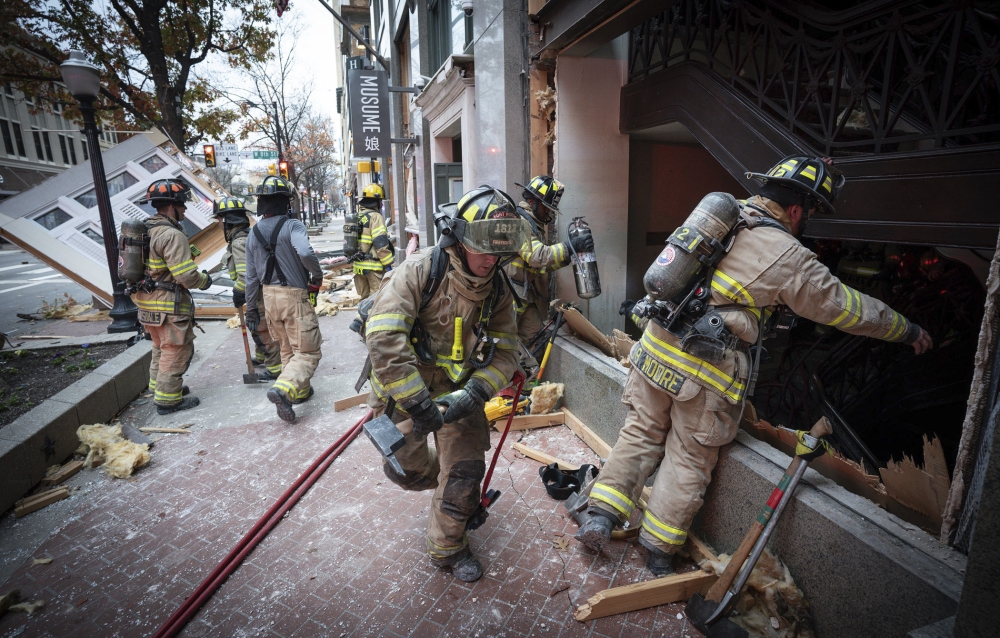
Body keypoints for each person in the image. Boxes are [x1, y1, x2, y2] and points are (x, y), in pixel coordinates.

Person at [575, 156, 934, 576]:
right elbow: (847, 308)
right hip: (704, 371)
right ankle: (658, 549)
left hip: (654, 348)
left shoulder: (724, 218)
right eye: (812, 213)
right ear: (798, 210)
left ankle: (601, 514)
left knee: (640, 431)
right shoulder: (790, 255)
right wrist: (906, 330)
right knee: (688, 457)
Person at [363, 186, 527, 582]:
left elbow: (506, 353)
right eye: (483, 247)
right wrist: (415, 401)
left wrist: (476, 392)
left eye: (499, 249)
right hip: (404, 393)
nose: (492, 258)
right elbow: (384, 338)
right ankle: (449, 492)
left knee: (464, 472)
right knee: (406, 470)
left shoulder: (499, 291)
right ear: (458, 236)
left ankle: (448, 547)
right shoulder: (420, 271)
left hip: (460, 397)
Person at [243, 176, 324, 423]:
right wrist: (317, 275)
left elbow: (250, 278)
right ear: (286, 203)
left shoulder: (252, 233)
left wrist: (251, 310)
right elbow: (305, 251)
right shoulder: (293, 226)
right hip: (293, 297)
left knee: (288, 348)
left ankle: (296, 393)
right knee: (309, 351)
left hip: (269, 299)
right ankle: (284, 389)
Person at [133, 179, 212, 415]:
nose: (185, 209)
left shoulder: (144, 230)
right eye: (183, 204)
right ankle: (168, 400)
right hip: (168, 305)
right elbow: (186, 276)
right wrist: (204, 281)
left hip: (146, 303)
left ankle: (162, 388)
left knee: (160, 347)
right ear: (172, 206)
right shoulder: (171, 234)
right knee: (176, 349)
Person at [506, 175, 593, 343]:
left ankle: (528, 370)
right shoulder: (518, 222)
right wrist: (569, 247)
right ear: (532, 201)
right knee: (504, 344)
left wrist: (567, 257)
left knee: (535, 340)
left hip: (523, 297)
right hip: (509, 298)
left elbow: (540, 268)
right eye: (545, 207)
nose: (548, 212)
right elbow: (537, 257)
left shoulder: (533, 225)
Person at [215, 196, 282, 381]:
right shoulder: (244, 236)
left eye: (220, 219)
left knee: (262, 329)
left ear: (227, 220)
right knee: (257, 327)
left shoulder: (239, 242)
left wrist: (238, 291)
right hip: (259, 292)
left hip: (257, 294)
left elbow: (246, 276)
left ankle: (275, 368)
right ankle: (261, 357)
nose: (218, 224)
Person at [350, 183, 395, 299]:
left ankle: (362, 317)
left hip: (358, 267)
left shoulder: (357, 216)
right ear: (376, 201)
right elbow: (380, 242)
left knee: (364, 300)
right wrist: (388, 264)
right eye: (380, 200)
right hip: (373, 267)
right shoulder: (376, 217)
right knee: (375, 301)